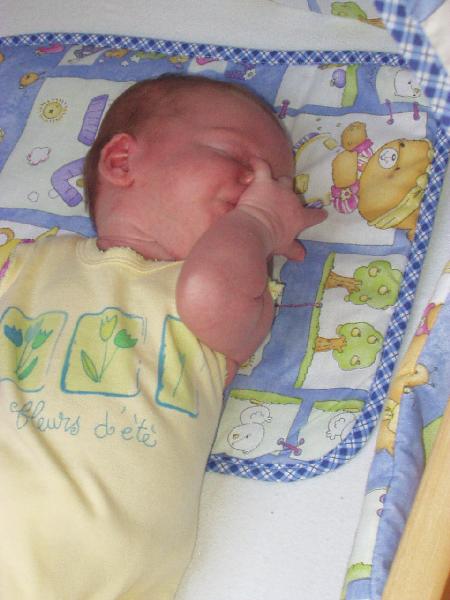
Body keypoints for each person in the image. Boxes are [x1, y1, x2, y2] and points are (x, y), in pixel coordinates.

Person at [0, 74, 326, 599]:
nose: (258, 187)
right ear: (122, 161)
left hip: (101, 573)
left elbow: (209, 288)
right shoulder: (31, 261)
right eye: (236, 157)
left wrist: (258, 226)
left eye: (277, 188)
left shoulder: (236, 296)